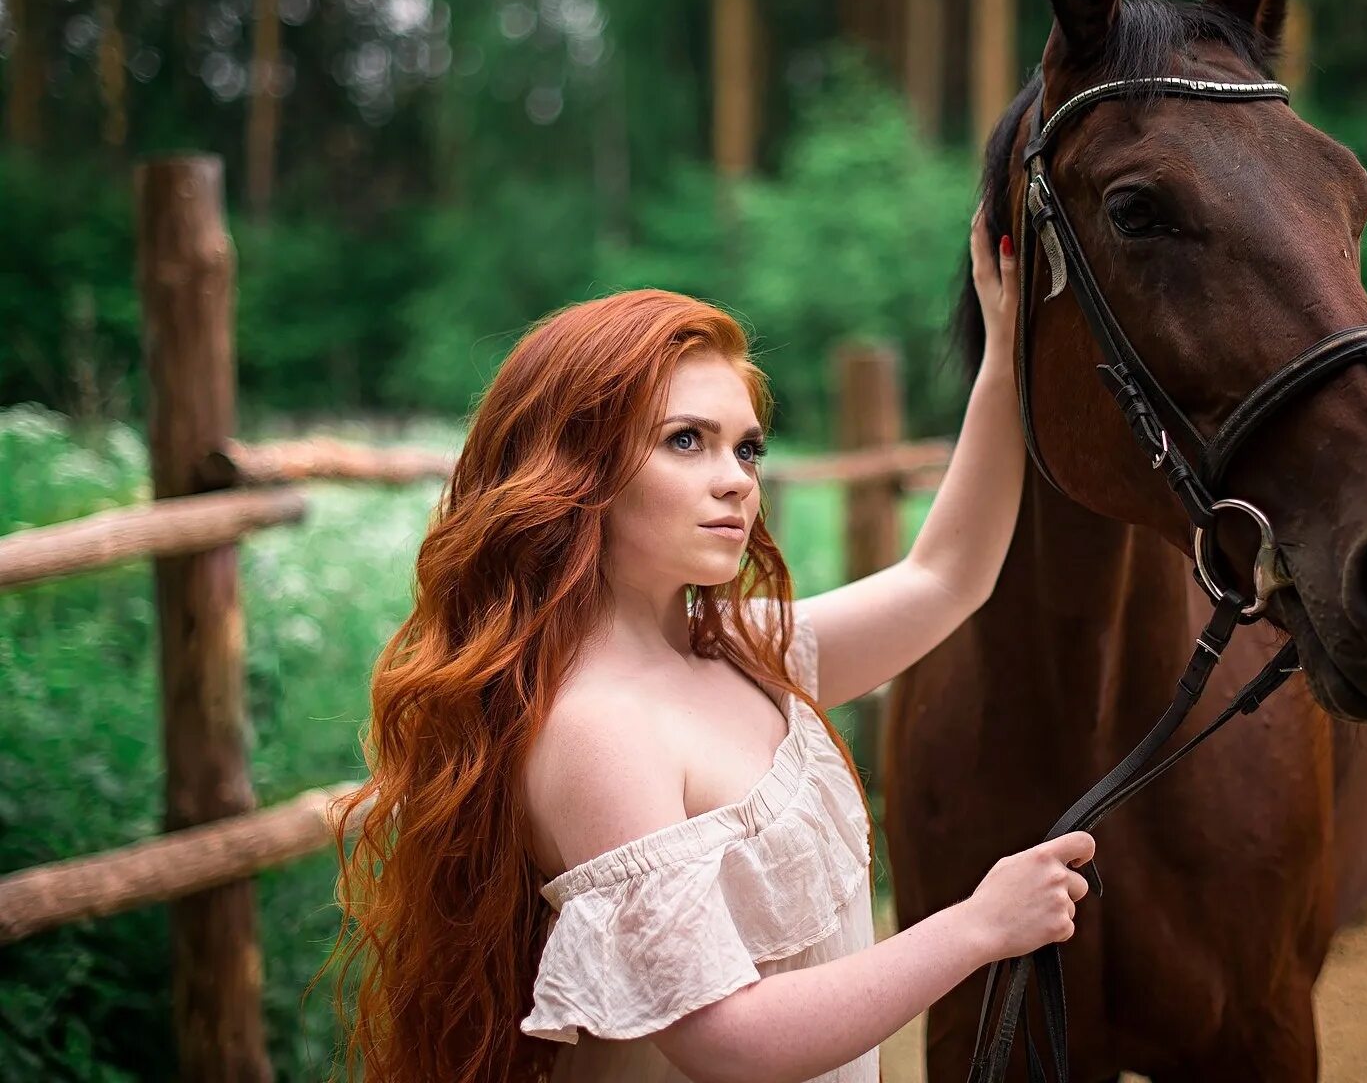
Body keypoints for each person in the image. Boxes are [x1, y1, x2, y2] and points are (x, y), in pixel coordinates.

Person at [322, 207, 1095, 1083]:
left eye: (747, 448)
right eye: (686, 441)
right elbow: (728, 1038)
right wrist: (978, 926)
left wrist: (1003, 357)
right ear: (575, 469)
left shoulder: (738, 655)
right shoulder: (598, 729)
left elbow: (947, 578)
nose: (735, 479)